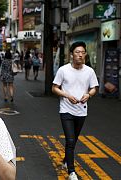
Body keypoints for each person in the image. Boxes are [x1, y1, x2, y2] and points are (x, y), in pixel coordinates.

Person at [52, 41, 99, 180]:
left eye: (83, 52)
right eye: (77, 52)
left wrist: (88, 95)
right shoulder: (63, 70)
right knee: (70, 139)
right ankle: (71, 172)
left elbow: (94, 88)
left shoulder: (89, 71)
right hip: (66, 110)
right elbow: (54, 88)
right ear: (71, 55)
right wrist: (67, 95)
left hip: (81, 111)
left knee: (73, 140)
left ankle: (66, 160)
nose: (80, 55)